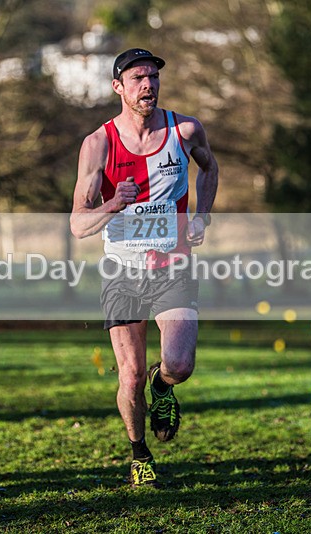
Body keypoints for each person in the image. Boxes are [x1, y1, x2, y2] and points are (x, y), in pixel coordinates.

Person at [70, 49, 218, 487]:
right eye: (137, 78)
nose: (148, 85)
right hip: (123, 273)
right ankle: (139, 454)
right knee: (129, 376)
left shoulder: (185, 130)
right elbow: (78, 223)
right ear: (118, 87)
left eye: (153, 77)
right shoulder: (99, 144)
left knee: (180, 363)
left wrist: (202, 214)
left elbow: (209, 169)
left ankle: (165, 385)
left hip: (173, 266)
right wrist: (115, 203)